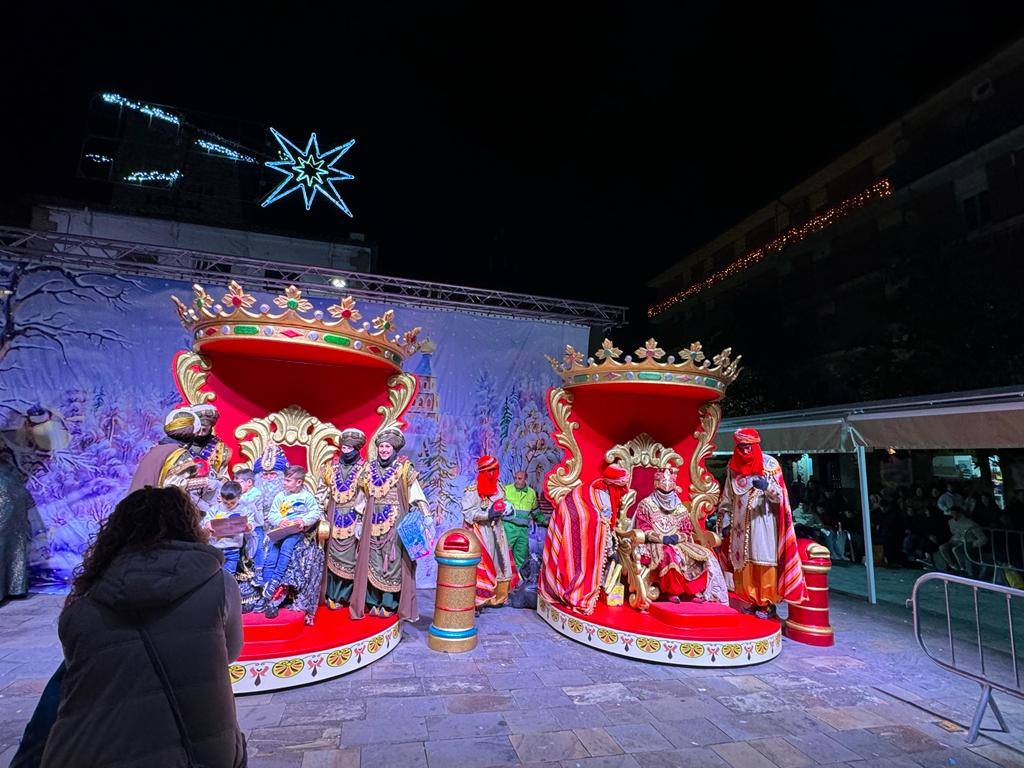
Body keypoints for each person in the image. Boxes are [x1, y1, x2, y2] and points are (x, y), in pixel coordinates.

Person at [39, 486, 245, 768]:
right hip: (190, 750)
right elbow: (230, 652)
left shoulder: (83, 605)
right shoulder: (218, 584)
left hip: (82, 749)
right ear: (188, 527)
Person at [718, 428, 807, 618]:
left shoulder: (770, 465)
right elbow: (727, 497)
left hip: (763, 523)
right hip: (739, 525)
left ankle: (766, 604)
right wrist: (725, 521)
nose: (744, 450)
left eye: (747, 446)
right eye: (740, 446)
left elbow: (781, 498)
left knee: (763, 561)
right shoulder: (733, 468)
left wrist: (767, 487)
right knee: (743, 564)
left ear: (755, 445)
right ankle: (751, 600)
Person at [349, 428, 432, 620]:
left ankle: (389, 603)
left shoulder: (404, 469)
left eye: (388, 446)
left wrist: (426, 516)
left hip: (395, 524)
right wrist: (359, 521)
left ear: (394, 449)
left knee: (392, 562)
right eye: (381, 447)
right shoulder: (368, 470)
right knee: (372, 560)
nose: (384, 450)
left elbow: (417, 495)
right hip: (372, 522)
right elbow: (361, 498)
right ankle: (374, 601)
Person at [541, 463, 630, 615]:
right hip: (582, 539)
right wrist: (609, 547)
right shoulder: (603, 497)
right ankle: (578, 593)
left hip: (577, 533)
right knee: (582, 564)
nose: (624, 492)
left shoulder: (594, 489)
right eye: (621, 487)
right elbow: (602, 525)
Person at [633, 466, 729, 604]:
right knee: (669, 553)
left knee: (702, 554)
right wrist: (661, 538)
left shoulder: (680, 508)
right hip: (654, 542)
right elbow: (643, 527)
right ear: (656, 487)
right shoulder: (646, 504)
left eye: (669, 491)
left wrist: (677, 537)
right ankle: (670, 592)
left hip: (678, 542)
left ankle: (691, 592)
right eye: (662, 491)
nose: (666, 495)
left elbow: (686, 531)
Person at [256, 465, 323, 620]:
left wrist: (303, 521)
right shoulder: (281, 496)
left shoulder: (306, 497)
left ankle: (276, 581)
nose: (284, 483)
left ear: (298, 482)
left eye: (287, 480)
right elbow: (272, 514)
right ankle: (267, 588)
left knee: (287, 547)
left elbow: (316, 512)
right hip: (281, 530)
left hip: (296, 532)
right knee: (271, 553)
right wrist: (280, 521)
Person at [463, 456, 517, 608]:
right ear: (482, 472)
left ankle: (498, 598)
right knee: (482, 565)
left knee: (501, 561)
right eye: (489, 471)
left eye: (495, 470)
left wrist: (507, 510)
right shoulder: (473, 490)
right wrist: (487, 515)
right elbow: (468, 513)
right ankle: (478, 599)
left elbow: (503, 504)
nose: (493, 474)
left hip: (498, 530)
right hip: (480, 532)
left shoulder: (500, 487)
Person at [323, 428, 367, 610]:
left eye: (350, 447)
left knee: (349, 558)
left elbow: (365, 495)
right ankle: (331, 594)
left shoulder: (365, 468)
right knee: (331, 555)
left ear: (357, 448)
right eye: (344, 447)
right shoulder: (331, 467)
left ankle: (344, 596)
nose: (346, 450)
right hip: (333, 515)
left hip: (353, 516)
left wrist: (360, 519)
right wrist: (320, 512)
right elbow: (323, 491)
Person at [0, 446, 30, 600]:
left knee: (7, 541)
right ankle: (15, 587)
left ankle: (12, 587)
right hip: (10, 490)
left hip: (6, 493)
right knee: (11, 542)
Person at [203, 480, 250, 575]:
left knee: (229, 575)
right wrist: (208, 524)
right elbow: (206, 520)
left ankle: (227, 589)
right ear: (221, 497)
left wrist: (248, 527)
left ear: (239, 498)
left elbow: (250, 524)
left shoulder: (244, 510)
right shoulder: (215, 509)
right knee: (213, 574)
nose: (229, 505)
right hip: (216, 548)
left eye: (233, 503)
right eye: (225, 503)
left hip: (233, 548)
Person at [236, 468, 266, 585]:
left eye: (239, 483)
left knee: (258, 547)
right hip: (241, 526)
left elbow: (246, 501)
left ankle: (259, 571)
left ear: (249, 483)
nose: (236, 486)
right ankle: (239, 570)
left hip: (256, 525)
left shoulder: (256, 493)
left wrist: (230, 496)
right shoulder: (240, 495)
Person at [938, 506, 988, 576]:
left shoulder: (970, 523)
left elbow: (983, 538)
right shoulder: (951, 522)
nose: (952, 515)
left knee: (956, 549)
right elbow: (954, 533)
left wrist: (974, 544)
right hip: (955, 540)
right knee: (942, 547)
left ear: (959, 513)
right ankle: (953, 566)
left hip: (967, 541)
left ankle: (963, 569)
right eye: (951, 513)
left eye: (954, 513)